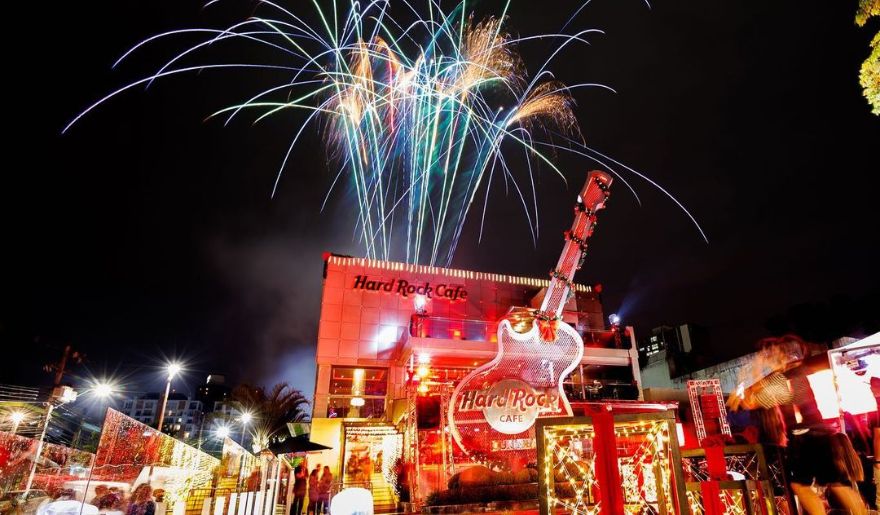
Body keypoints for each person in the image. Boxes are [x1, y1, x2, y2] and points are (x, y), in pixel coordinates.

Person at [729, 336, 868, 515]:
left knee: (800, 485)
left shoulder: (783, 378)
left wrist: (751, 376)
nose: (766, 357)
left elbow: (751, 402)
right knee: (837, 483)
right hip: (823, 433)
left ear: (781, 354)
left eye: (768, 354)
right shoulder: (800, 370)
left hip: (806, 437)